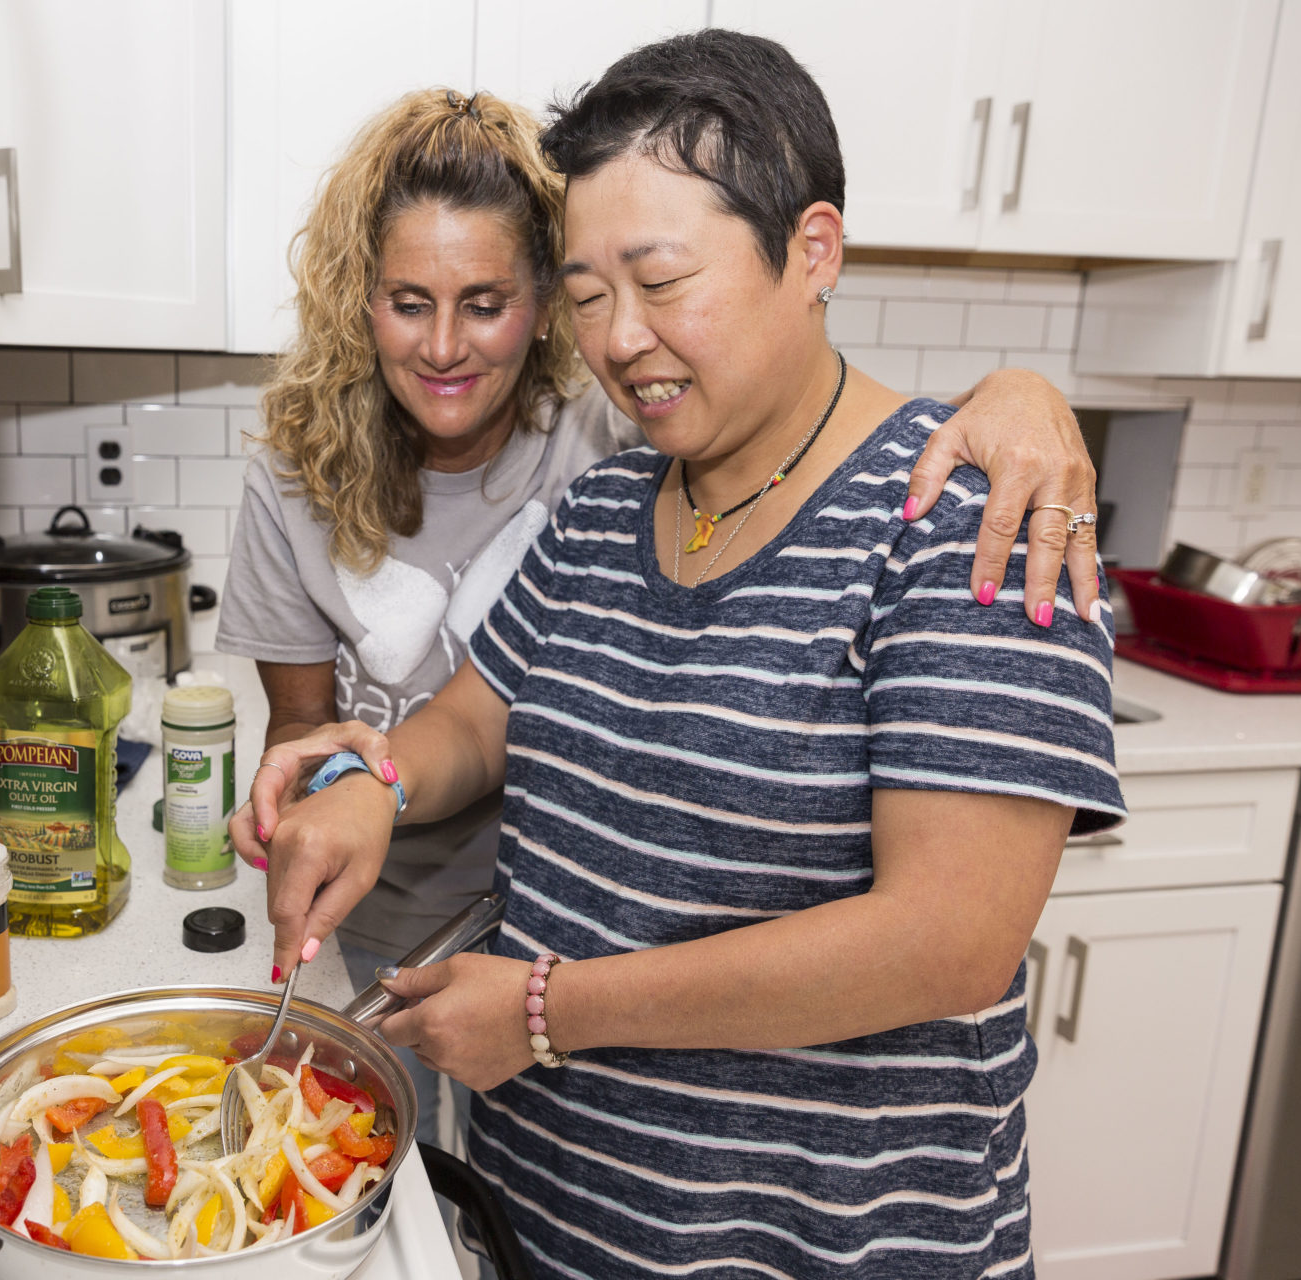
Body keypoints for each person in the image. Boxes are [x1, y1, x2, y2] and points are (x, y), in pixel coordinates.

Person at [232, 29, 1125, 1280]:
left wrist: (544, 1013)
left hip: (820, 1243)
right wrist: (378, 781)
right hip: (554, 1223)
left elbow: (946, 938)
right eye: (589, 295)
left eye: (661, 281)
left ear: (812, 252)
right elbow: (479, 717)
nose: (622, 337)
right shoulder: (607, 508)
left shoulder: (973, 519)